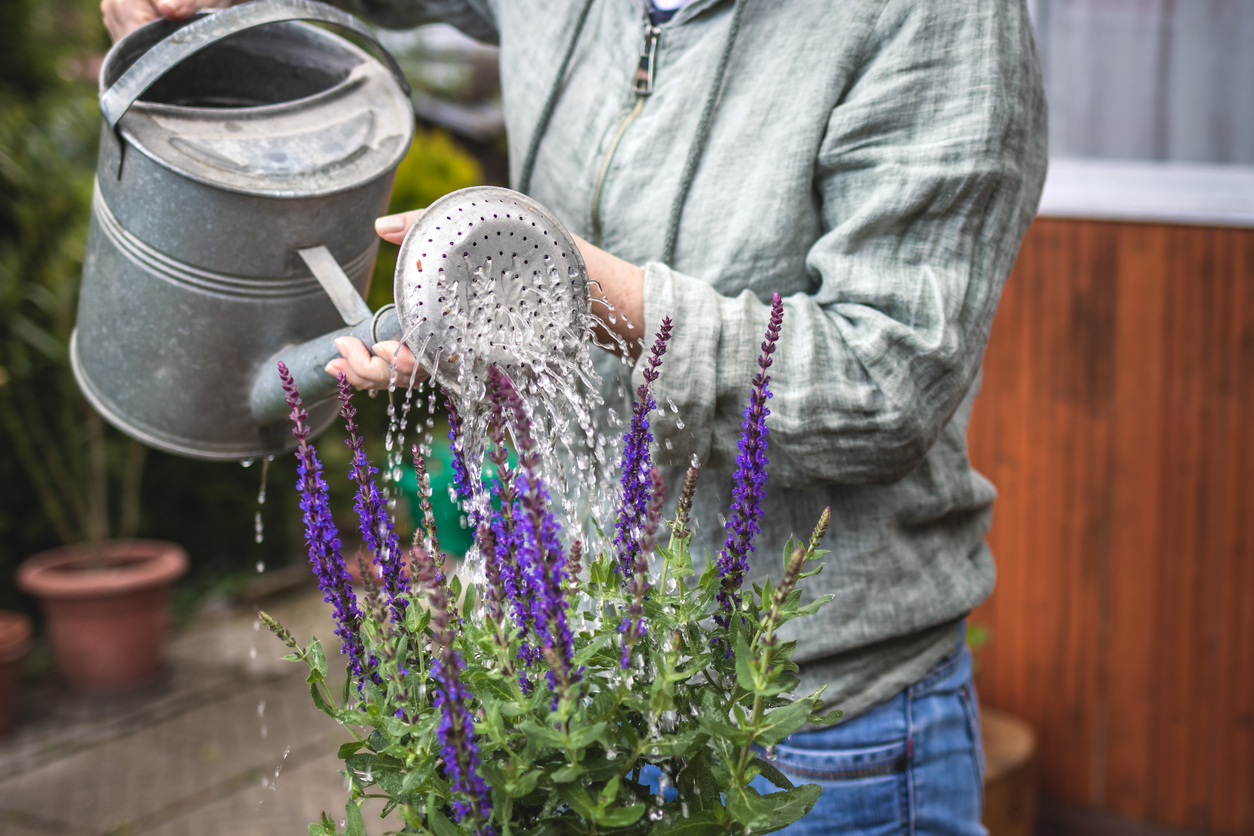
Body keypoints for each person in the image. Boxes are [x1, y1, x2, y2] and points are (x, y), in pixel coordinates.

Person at [103, 0, 1047, 832]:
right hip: (564, 687)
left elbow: (886, 385)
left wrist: (563, 287)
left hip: (803, 723)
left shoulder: (937, 16)